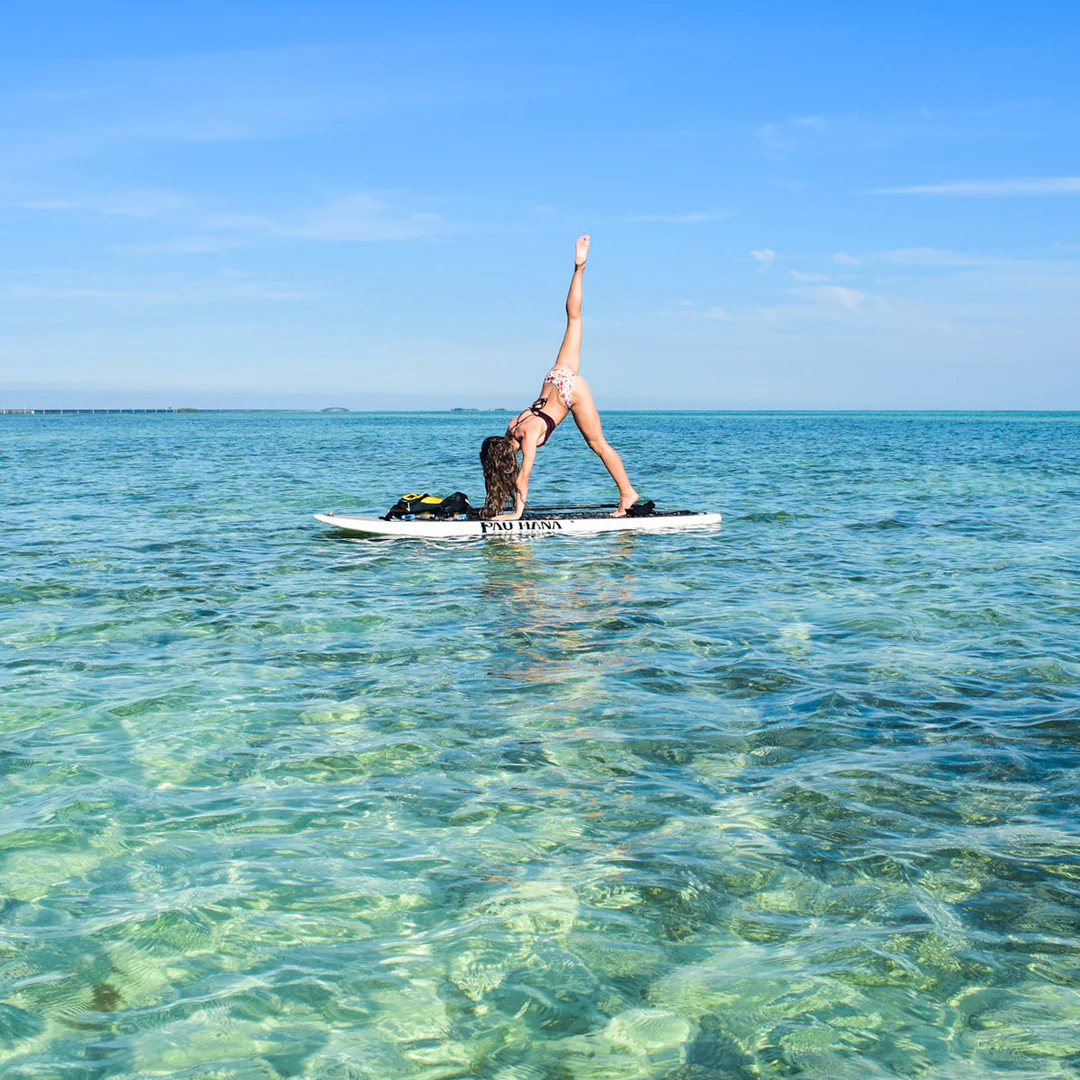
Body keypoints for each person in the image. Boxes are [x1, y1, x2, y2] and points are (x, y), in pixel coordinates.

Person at [479, 236, 639, 519]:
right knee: (573, 318)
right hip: (556, 378)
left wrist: (516, 514)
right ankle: (579, 268)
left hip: (569, 391)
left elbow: (524, 475)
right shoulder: (513, 426)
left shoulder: (522, 431)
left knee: (597, 444)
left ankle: (628, 493)